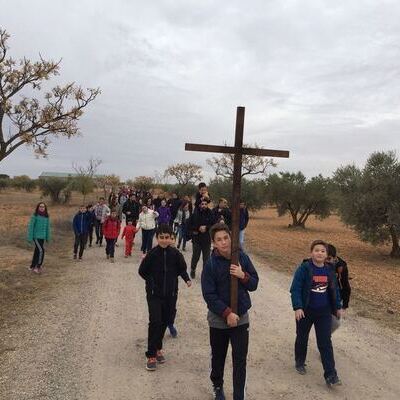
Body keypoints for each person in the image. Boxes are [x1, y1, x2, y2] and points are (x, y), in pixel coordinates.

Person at [201, 223, 259, 400]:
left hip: (241, 319)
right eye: (219, 239)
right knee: (218, 357)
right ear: (214, 243)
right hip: (219, 321)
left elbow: (254, 283)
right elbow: (209, 295)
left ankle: (239, 394)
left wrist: (243, 276)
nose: (224, 242)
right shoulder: (211, 265)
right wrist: (227, 313)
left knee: (240, 359)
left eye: (226, 238)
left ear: (231, 238)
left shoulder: (242, 257)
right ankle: (217, 386)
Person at [138, 224, 192, 371]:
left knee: (165, 321)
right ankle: (151, 354)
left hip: (171, 295)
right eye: (161, 237)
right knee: (155, 322)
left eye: (166, 238)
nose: (164, 240)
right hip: (154, 295)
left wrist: (186, 279)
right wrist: (152, 283)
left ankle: (158, 347)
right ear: (157, 238)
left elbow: (182, 269)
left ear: (171, 239)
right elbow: (142, 272)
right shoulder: (152, 254)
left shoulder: (176, 254)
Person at [290, 240, 343, 386]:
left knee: (325, 342)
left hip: (324, 312)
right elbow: (295, 289)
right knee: (302, 337)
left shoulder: (329, 270)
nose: (319, 253)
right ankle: (300, 362)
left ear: (326, 255)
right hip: (305, 311)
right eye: (316, 250)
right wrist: (298, 307)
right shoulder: (304, 269)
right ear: (311, 253)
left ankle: (331, 375)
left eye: (322, 251)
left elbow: (335, 291)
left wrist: (337, 307)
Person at [188, 198, 214, 279]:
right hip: (197, 239)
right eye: (202, 204)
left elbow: (213, 225)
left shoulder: (210, 213)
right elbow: (189, 225)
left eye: (205, 204)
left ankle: (205, 273)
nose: (204, 206)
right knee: (196, 256)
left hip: (207, 239)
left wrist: (206, 227)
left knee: (206, 258)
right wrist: (197, 229)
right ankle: (193, 269)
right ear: (200, 205)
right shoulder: (195, 214)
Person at [27, 202, 51, 274]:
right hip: (36, 236)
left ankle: (32, 266)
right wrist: (30, 238)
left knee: (37, 251)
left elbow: (48, 228)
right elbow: (31, 227)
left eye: (43, 207)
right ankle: (38, 267)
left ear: (45, 208)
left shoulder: (47, 217)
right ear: (38, 207)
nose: (42, 208)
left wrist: (48, 237)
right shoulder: (35, 216)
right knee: (41, 250)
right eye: (40, 206)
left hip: (42, 237)